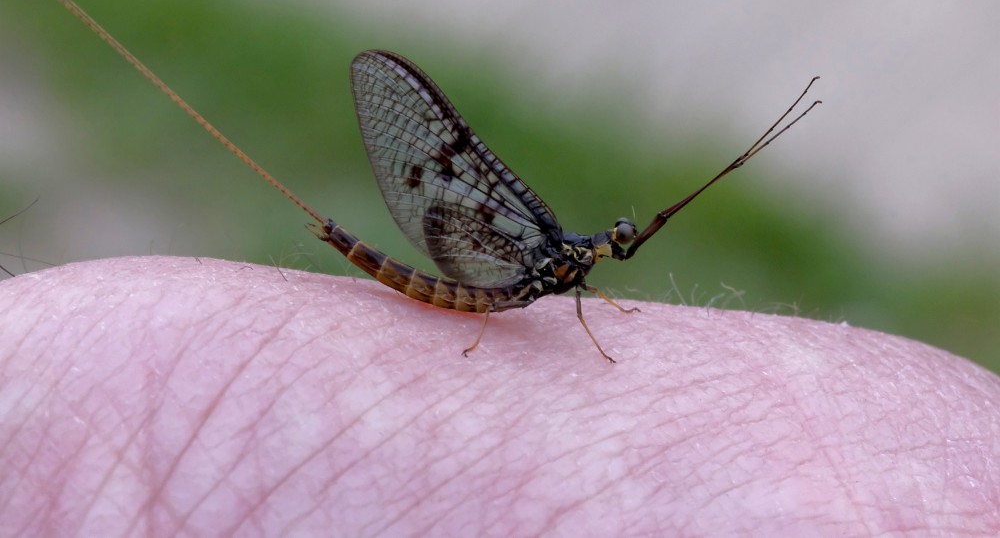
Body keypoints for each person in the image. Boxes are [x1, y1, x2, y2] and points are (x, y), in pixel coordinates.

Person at [1, 255, 997, 535]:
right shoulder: (549, 278)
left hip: (490, 292)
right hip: (465, 293)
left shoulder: (568, 279)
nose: (607, 261)